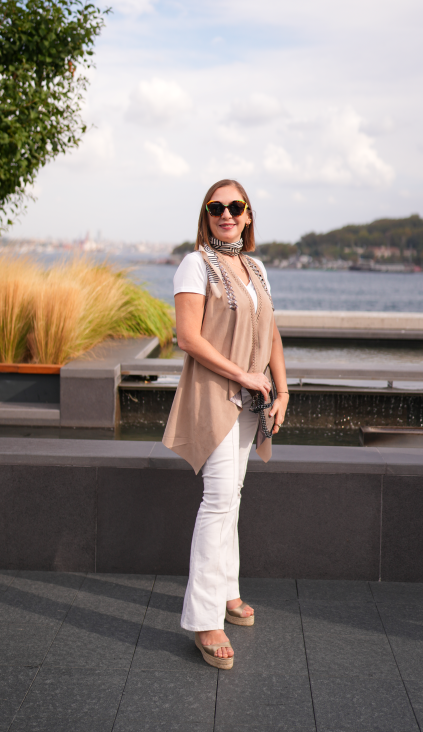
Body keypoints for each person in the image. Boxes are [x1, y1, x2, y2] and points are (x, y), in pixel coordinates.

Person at [162, 179, 289, 670]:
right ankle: (203, 619)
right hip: (215, 396)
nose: (226, 214)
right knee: (217, 501)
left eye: (235, 206)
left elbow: (271, 331)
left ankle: (228, 591)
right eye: (216, 207)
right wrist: (243, 375)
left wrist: (282, 390)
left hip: (252, 400)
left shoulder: (255, 268)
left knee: (232, 496)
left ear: (248, 214)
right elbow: (187, 338)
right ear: (207, 215)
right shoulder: (195, 264)